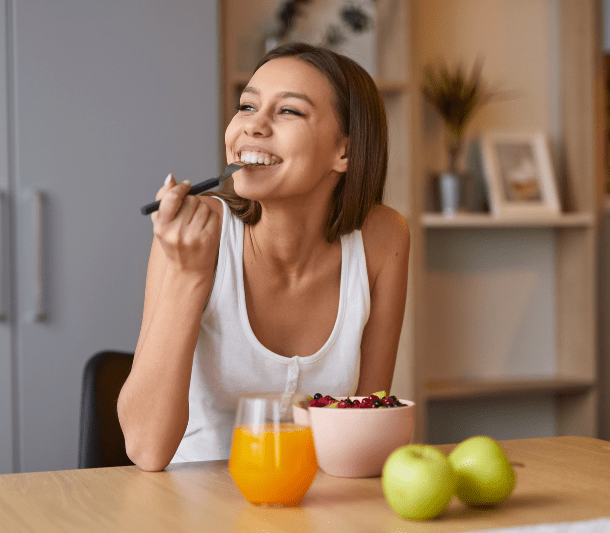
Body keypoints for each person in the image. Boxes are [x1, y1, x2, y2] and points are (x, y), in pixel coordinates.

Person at [117, 43, 410, 472]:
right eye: (247, 105)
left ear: (344, 151)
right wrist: (188, 275)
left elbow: (363, 431)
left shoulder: (383, 239)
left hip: (313, 503)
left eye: (288, 111)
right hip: (190, 505)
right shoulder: (196, 234)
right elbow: (145, 448)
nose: (253, 126)